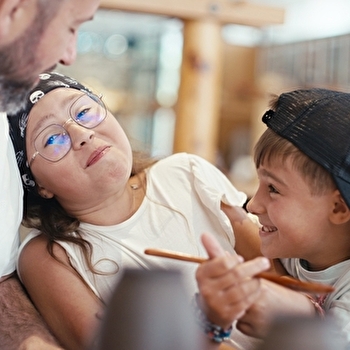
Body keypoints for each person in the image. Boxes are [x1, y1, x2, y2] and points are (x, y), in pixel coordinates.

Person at [8, 71, 271, 350]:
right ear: (37, 185)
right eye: (51, 140)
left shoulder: (187, 174)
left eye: (84, 111)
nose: (82, 134)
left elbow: (276, 270)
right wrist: (209, 322)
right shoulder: (49, 255)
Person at [196, 87, 350, 347]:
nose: (253, 205)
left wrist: (293, 316)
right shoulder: (289, 251)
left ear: (338, 209)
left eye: (274, 189)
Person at [0, 1, 100, 349]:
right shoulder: (47, 257)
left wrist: (32, 340)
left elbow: (0, 282)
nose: (69, 55)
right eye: (72, 27)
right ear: (13, 9)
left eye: (86, 111)